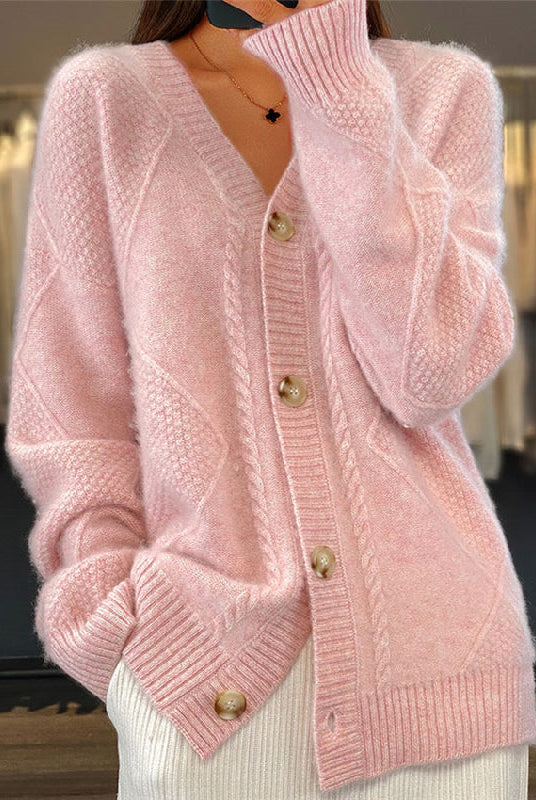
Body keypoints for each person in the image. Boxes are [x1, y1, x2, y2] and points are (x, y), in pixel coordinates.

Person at [5, 0, 535, 797]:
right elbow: (70, 400)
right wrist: (111, 623)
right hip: (198, 668)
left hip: (437, 674)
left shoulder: (445, 90)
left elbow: (430, 375)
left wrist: (341, 86)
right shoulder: (106, 97)